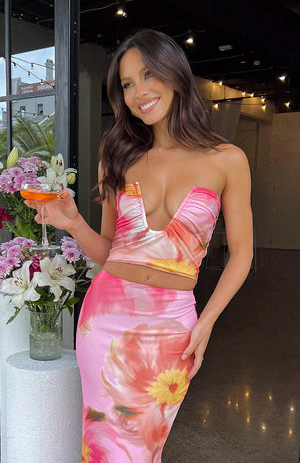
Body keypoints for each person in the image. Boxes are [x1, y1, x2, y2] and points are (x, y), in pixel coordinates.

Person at [26, 29, 253, 462]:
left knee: (145, 448)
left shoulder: (228, 159)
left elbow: (242, 254)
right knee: (101, 449)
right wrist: (72, 222)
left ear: (175, 74)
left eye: (148, 75)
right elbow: (110, 250)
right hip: (105, 320)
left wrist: (206, 322)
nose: (138, 93)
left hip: (172, 328)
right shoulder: (119, 153)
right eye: (127, 84)